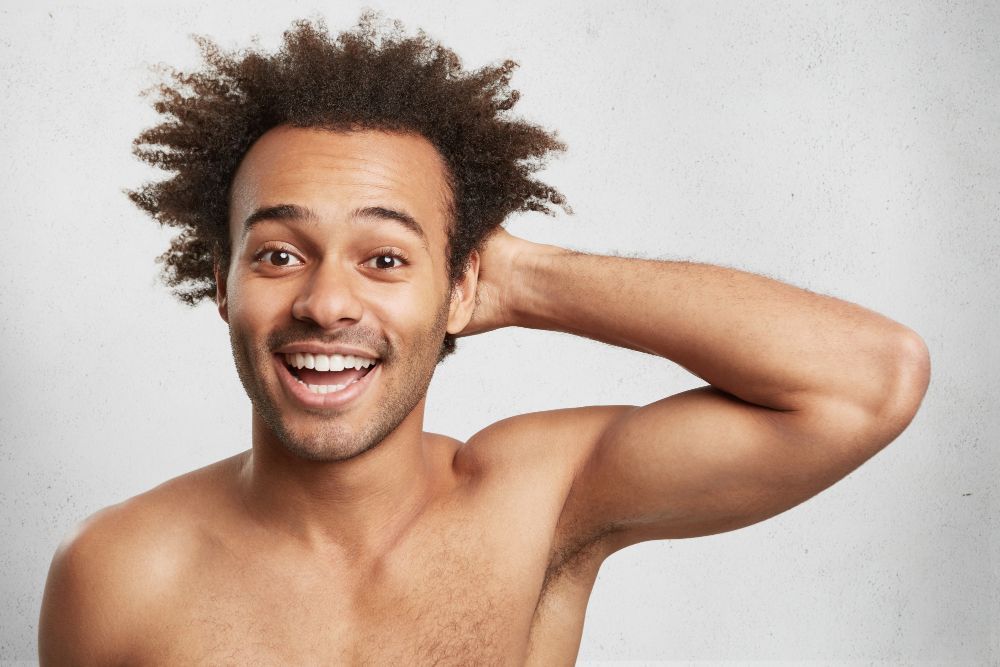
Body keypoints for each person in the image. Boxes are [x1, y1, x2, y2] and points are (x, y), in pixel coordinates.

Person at [38, 14, 930, 665]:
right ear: (223, 282)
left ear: (460, 285)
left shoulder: (538, 501)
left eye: (385, 257)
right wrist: (421, 264)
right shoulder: (117, 571)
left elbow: (868, 380)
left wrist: (515, 276)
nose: (326, 301)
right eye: (278, 253)